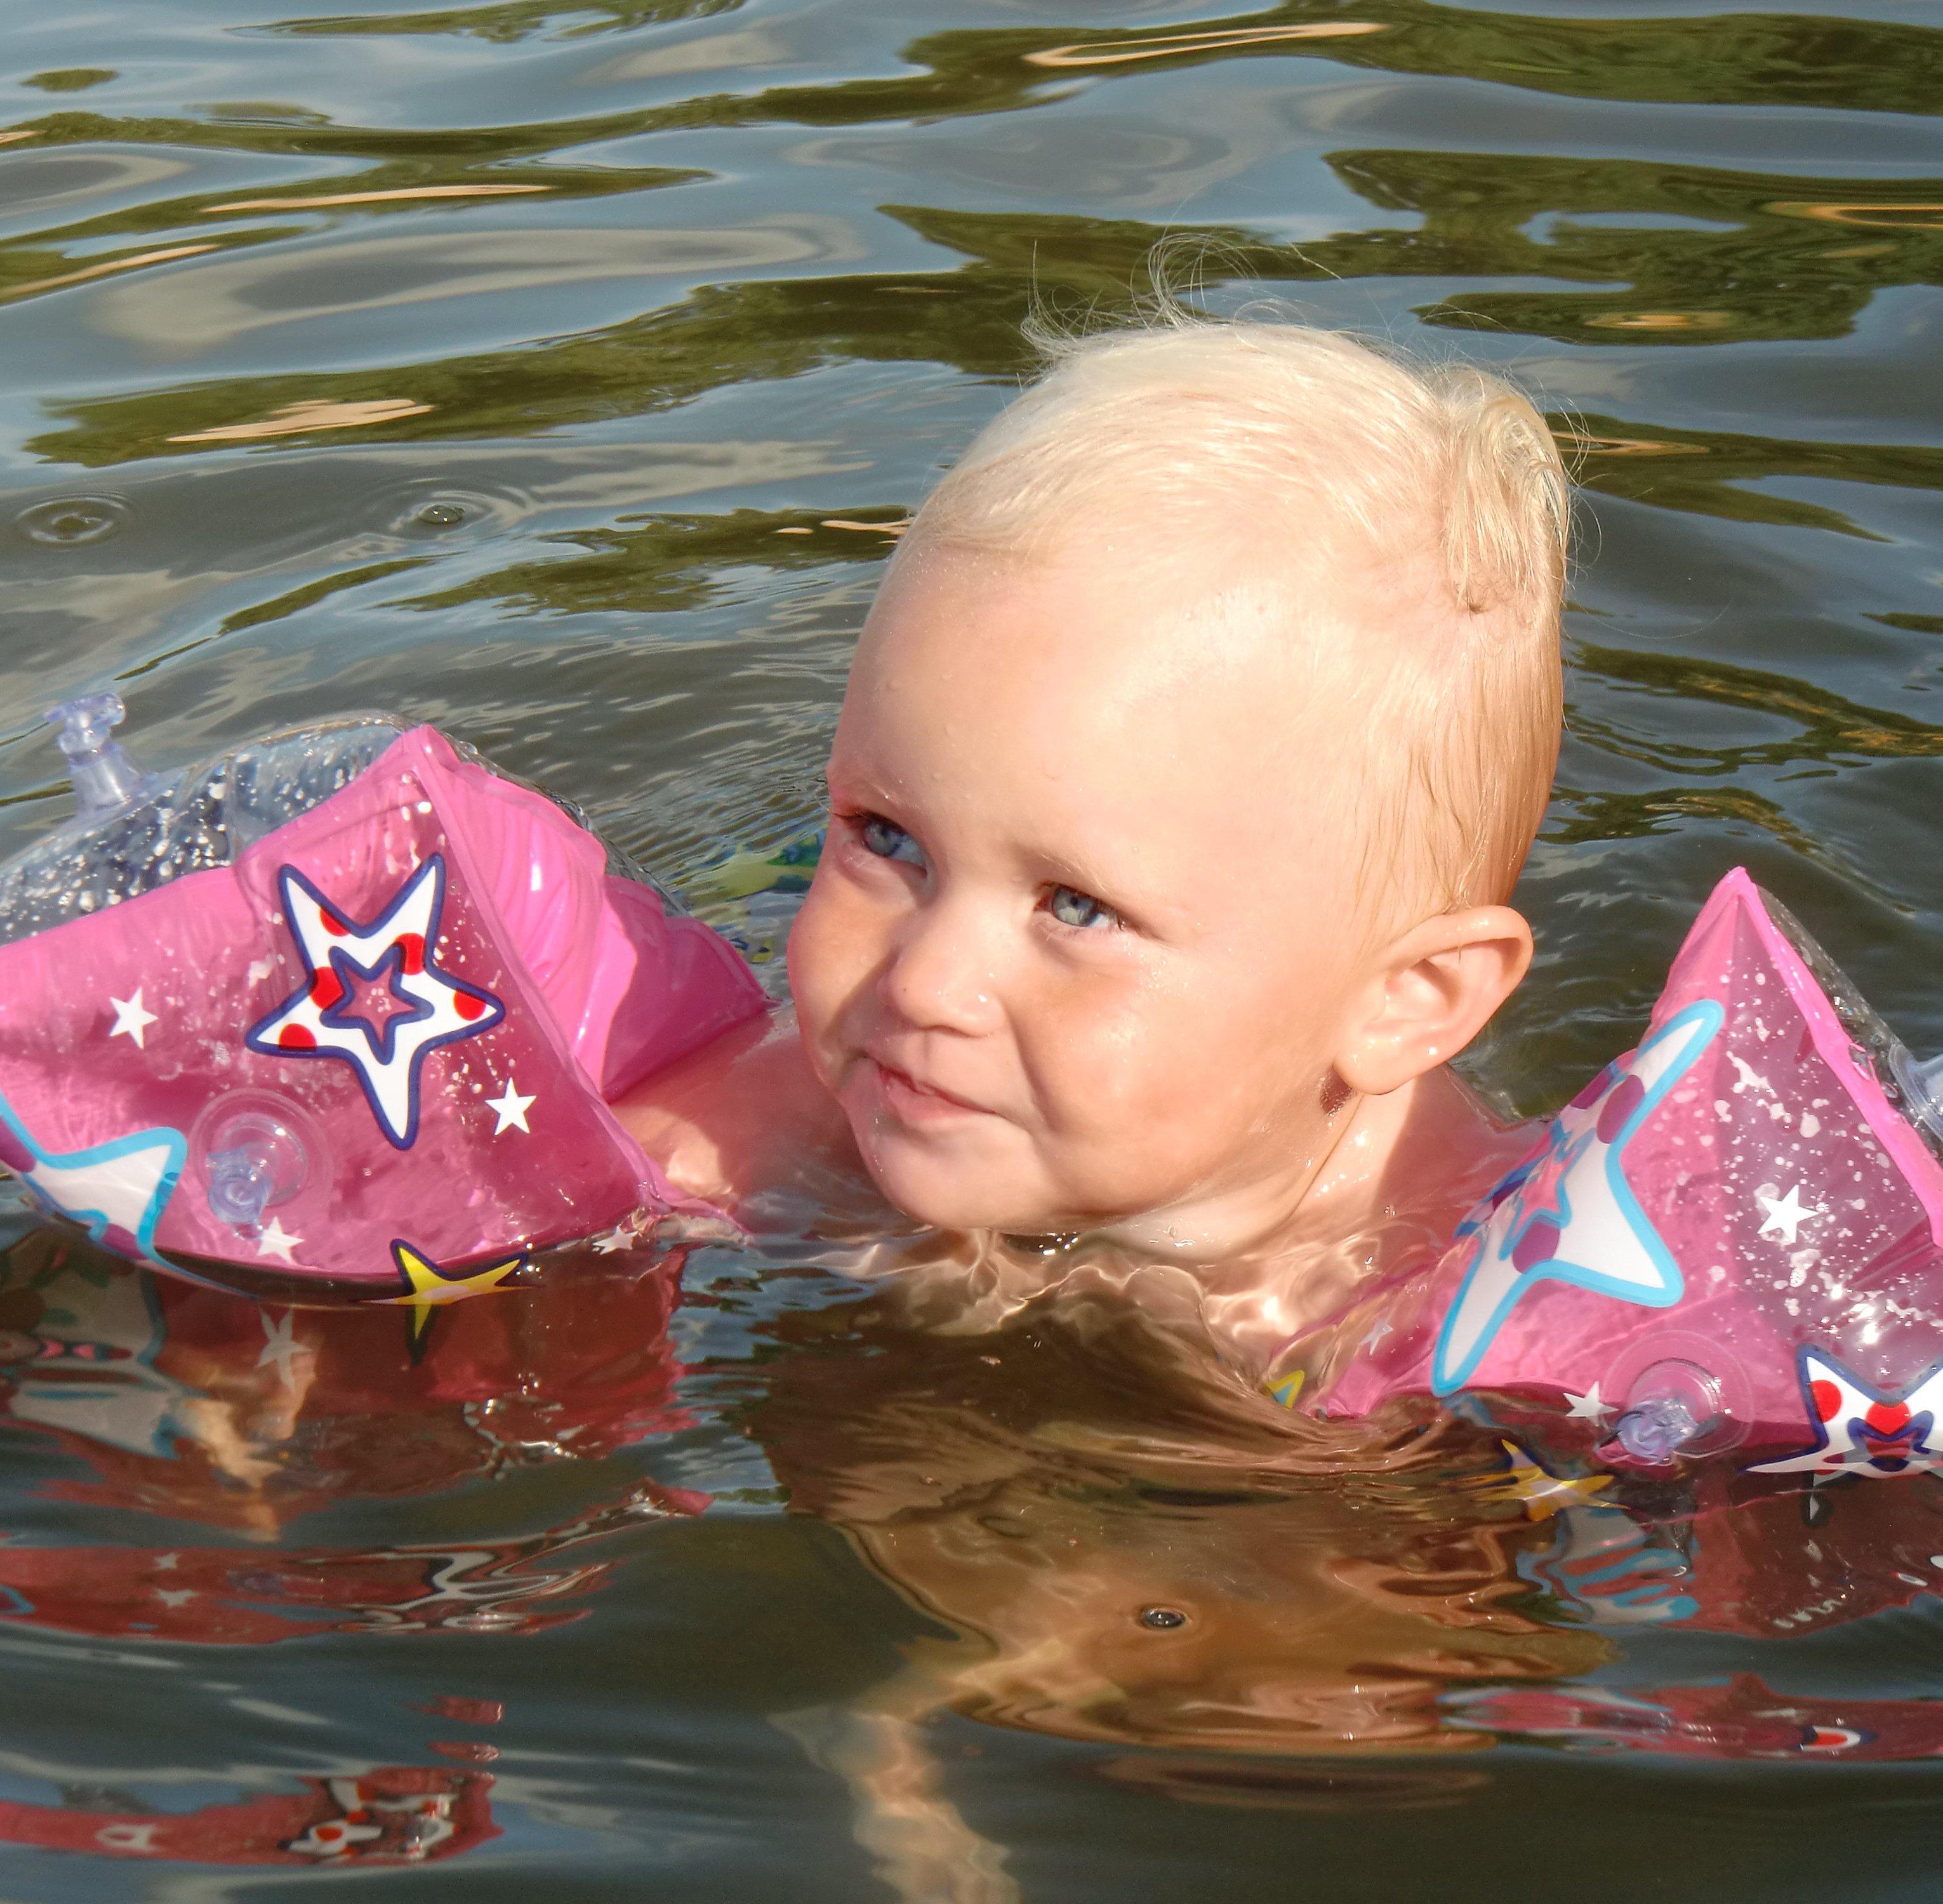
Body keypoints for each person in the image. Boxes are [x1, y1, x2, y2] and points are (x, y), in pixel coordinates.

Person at [614, 315, 1568, 1369]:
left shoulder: (1444, 1301)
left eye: (1077, 907)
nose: (927, 982)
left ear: (1405, 1001)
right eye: (888, 839)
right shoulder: (787, 1115)